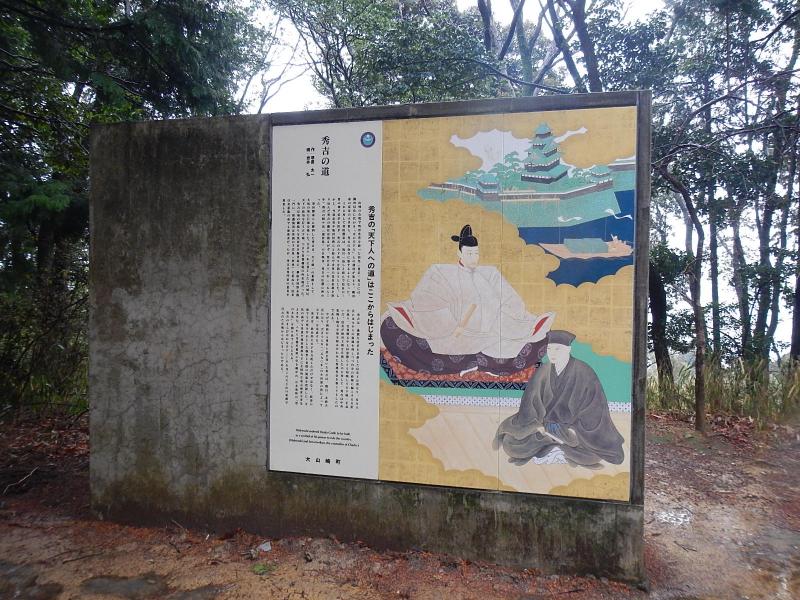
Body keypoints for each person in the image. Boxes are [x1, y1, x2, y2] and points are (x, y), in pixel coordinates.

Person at [380, 225, 555, 376]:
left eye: (476, 253)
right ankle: (477, 363)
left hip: (490, 335)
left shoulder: (490, 274)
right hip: (450, 334)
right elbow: (425, 300)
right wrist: (452, 321)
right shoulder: (440, 272)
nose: (474, 257)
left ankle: (476, 363)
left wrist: (494, 315)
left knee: (539, 338)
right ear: (459, 252)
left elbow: (512, 302)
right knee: (391, 327)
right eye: (469, 253)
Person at [493, 330, 624, 468]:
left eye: (557, 349)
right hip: (544, 428)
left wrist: (574, 430)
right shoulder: (543, 370)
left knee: (593, 454)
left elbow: (594, 409)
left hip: (572, 430)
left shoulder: (584, 372)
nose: (553, 353)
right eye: (549, 349)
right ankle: (556, 447)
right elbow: (530, 405)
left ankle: (552, 447)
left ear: (568, 350)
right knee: (510, 444)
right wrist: (537, 426)